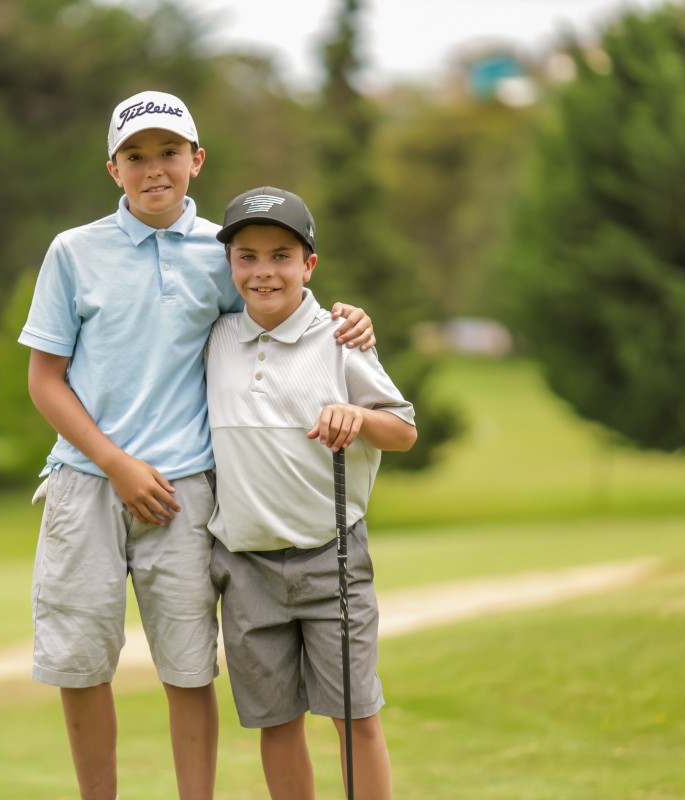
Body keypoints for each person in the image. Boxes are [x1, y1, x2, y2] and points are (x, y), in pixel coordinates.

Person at [18, 91, 376, 800]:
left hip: (185, 490)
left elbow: (282, 309)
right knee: (81, 666)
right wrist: (115, 463)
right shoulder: (74, 252)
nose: (154, 169)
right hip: (85, 480)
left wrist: (349, 317)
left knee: (187, 669)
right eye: (135, 156)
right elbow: (44, 380)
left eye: (169, 153)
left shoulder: (223, 252)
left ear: (196, 160)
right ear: (113, 169)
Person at [206, 186, 416, 800]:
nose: (264, 271)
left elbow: (402, 430)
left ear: (309, 264)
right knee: (275, 722)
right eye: (247, 257)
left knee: (355, 716)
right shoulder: (214, 337)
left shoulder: (340, 337)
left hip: (331, 557)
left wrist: (358, 415)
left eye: (281, 256)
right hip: (244, 564)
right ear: (230, 264)